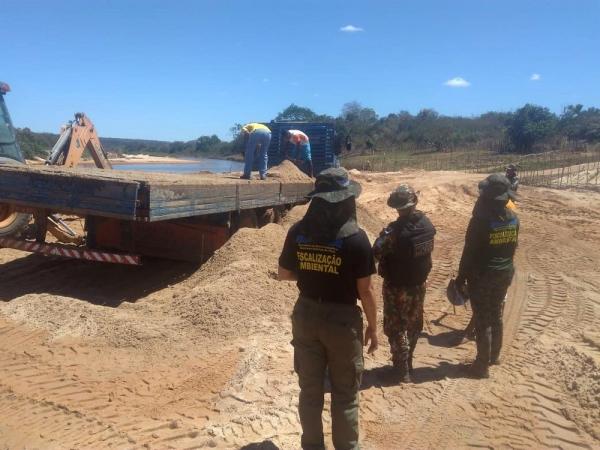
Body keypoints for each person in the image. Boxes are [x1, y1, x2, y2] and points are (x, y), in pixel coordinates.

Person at [278, 167, 378, 450]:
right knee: (345, 395)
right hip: (342, 323)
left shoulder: (298, 232)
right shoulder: (357, 240)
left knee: (309, 392)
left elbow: (284, 274)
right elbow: (366, 291)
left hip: (306, 316)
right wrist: (373, 326)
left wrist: (312, 273)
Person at [455, 174, 519, 379]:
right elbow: (513, 247)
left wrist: (460, 278)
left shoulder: (479, 222)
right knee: (496, 314)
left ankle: (481, 366)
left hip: (483, 275)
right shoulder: (514, 218)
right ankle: (494, 356)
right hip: (505, 272)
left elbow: (469, 252)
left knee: (482, 319)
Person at [373, 185, 436, 382]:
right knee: (414, 323)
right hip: (419, 284)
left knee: (396, 326)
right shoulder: (427, 224)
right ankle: (408, 363)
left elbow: (375, 251)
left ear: (398, 207)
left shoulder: (394, 231)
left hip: (396, 287)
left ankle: (401, 371)